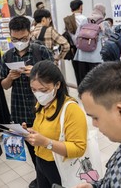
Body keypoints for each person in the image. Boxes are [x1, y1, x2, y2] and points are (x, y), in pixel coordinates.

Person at [0, 16, 54, 188]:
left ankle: (49, 179)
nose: (19, 42)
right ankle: (41, 179)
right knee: (32, 150)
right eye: (14, 39)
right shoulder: (7, 55)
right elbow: (4, 85)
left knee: (47, 149)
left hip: (43, 110)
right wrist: (9, 77)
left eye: (23, 39)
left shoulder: (40, 51)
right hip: (19, 110)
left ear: (29, 33)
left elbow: (54, 78)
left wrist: (37, 73)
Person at [25, 60, 87, 188]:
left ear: (57, 84)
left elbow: (79, 148)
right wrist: (30, 132)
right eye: (34, 90)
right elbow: (44, 130)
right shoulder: (42, 104)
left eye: (43, 90)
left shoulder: (71, 109)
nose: (38, 95)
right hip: (40, 161)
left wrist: (46, 142)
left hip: (59, 165)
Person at [73, 4, 112, 85]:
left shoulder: (84, 21)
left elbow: (76, 37)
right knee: (97, 84)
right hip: (96, 58)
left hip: (81, 57)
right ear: (103, 13)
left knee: (84, 83)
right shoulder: (104, 23)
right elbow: (111, 37)